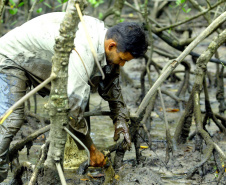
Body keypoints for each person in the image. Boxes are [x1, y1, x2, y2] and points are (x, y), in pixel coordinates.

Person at [0, 12, 148, 182]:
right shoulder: (83, 51)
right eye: (122, 59)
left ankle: (73, 163)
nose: (121, 65)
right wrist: (92, 150)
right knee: (11, 120)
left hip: (41, 58)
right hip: (11, 57)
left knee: (80, 94)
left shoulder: (103, 37)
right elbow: (72, 108)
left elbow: (110, 79)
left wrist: (120, 117)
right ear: (111, 46)